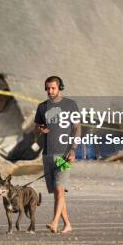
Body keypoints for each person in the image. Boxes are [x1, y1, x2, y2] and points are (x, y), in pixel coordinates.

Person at [34, 75, 81, 234]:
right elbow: (38, 128)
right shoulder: (42, 107)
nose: (50, 91)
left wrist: (73, 149)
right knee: (57, 191)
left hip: (65, 155)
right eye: (47, 88)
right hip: (47, 155)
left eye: (53, 88)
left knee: (60, 189)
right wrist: (41, 130)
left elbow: (77, 129)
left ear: (60, 87)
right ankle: (67, 224)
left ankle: (54, 222)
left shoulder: (70, 105)